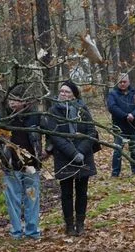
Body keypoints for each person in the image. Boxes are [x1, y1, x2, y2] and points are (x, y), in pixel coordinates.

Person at [41, 80, 98, 236]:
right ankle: (69, 225)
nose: (63, 94)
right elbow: (55, 136)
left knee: (82, 191)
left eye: (67, 92)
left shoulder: (82, 109)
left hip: (84, 156)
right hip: (64, 157)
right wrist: (73, 153)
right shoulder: (53, 111)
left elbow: (91, 132)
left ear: (74, 94)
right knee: (66, 193)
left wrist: (81, 151)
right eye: (62, 91)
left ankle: (80, 223)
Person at [0, 84, 42, 239]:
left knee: (32, 198)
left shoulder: (35, 116)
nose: (12, 102)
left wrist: (46, 152)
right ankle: (16, 231)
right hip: (10, 165)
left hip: (31, 164)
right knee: (13, 200)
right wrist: (0, 154)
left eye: (16, 99)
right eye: (10, 99)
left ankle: (32, 230)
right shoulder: (3, 117)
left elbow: (48, 132)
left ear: (25, 101)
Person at [107, 73, 135, 177]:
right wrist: (125, 116)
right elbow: (112, 107)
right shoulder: (113, 94)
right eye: (120, 82)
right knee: (118, 151)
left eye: (125, 82)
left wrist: (133, 114)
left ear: (128, 82)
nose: (123, 84)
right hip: (119, 128)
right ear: (117, 82)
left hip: (134, 127)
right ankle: (115, 173)